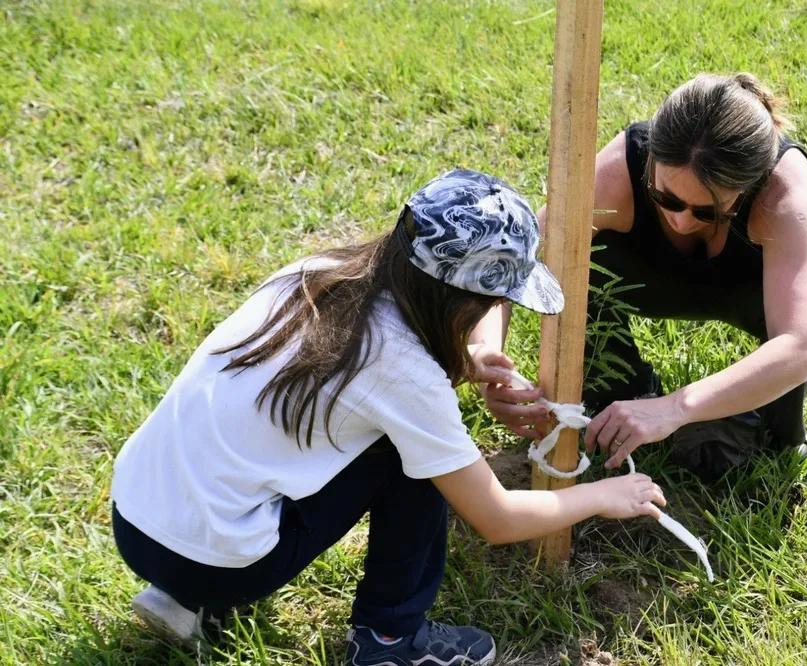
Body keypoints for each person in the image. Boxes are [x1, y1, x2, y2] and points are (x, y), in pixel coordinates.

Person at [110, 170, 668, 665]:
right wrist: (604, 496)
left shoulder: (318, 274)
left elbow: (356, 381)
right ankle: (391, 640)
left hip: (135, 519)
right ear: (458, 302)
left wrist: (464, 363)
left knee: (395, 434)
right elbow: (496, 519)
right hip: (215, 566)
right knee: (416, 456)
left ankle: (184, 597)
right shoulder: (401, 373)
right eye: (489, 304)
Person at [475, 73, 807, 481]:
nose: (680, 221)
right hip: (648, 280)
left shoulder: (781, 187)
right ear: (653, 157)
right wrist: (487, 357)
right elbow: (513, 263)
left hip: (753, 289)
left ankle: (763, 421)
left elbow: (800, 345)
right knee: (567, 248)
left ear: (749, 185)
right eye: (666, 198)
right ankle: (618, 392)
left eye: (708, 211)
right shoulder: (621, 168)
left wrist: (676, 407)